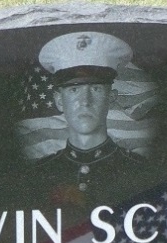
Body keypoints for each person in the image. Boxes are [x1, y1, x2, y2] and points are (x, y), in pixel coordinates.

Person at [34, 32, 151, 209]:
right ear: (59, 100)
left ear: (111, 98)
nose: (85, 101)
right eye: (74, 90)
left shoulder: (138, 169)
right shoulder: (41, 172)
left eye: (96, 89)